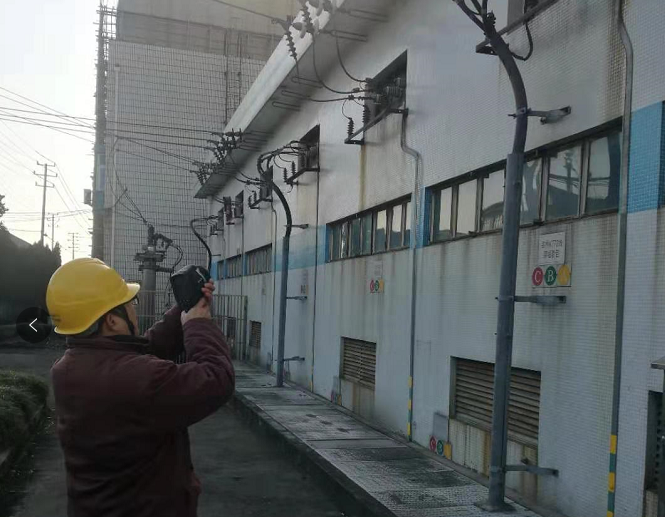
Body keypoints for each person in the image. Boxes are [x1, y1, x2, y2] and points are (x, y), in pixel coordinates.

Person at [46, 258, 235, 517]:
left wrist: (186, 305)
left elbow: (139, 353)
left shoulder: (68, 367)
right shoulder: (132, 378)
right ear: (112, 321)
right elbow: (216, 378)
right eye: (130, 304)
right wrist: (198, 323)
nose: (134, 309)